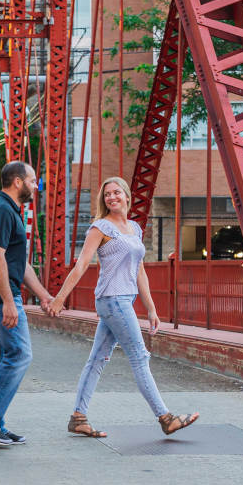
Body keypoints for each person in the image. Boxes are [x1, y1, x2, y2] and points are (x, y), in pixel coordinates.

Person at [48, 176, 199, 437]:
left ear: (127, 196)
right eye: (107, 194)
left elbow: (140, 271)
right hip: (112, 299)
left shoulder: (135, 229)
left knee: (97, 359)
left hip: (123, 300)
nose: (112, 197)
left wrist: (151, 309)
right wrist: (60, 297)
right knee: (139, 358)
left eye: (116, 192)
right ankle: (165, 418)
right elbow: (82, 264)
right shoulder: (100, 228)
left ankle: (78, 417)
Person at [0, 161, 55, 448]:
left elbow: (19, 262)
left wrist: (43, 295)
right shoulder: (2, 210)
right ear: (17, 182)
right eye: (33, 181)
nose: (35, 186)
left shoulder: (6, 210)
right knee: (19, 355)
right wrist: (8, 301)